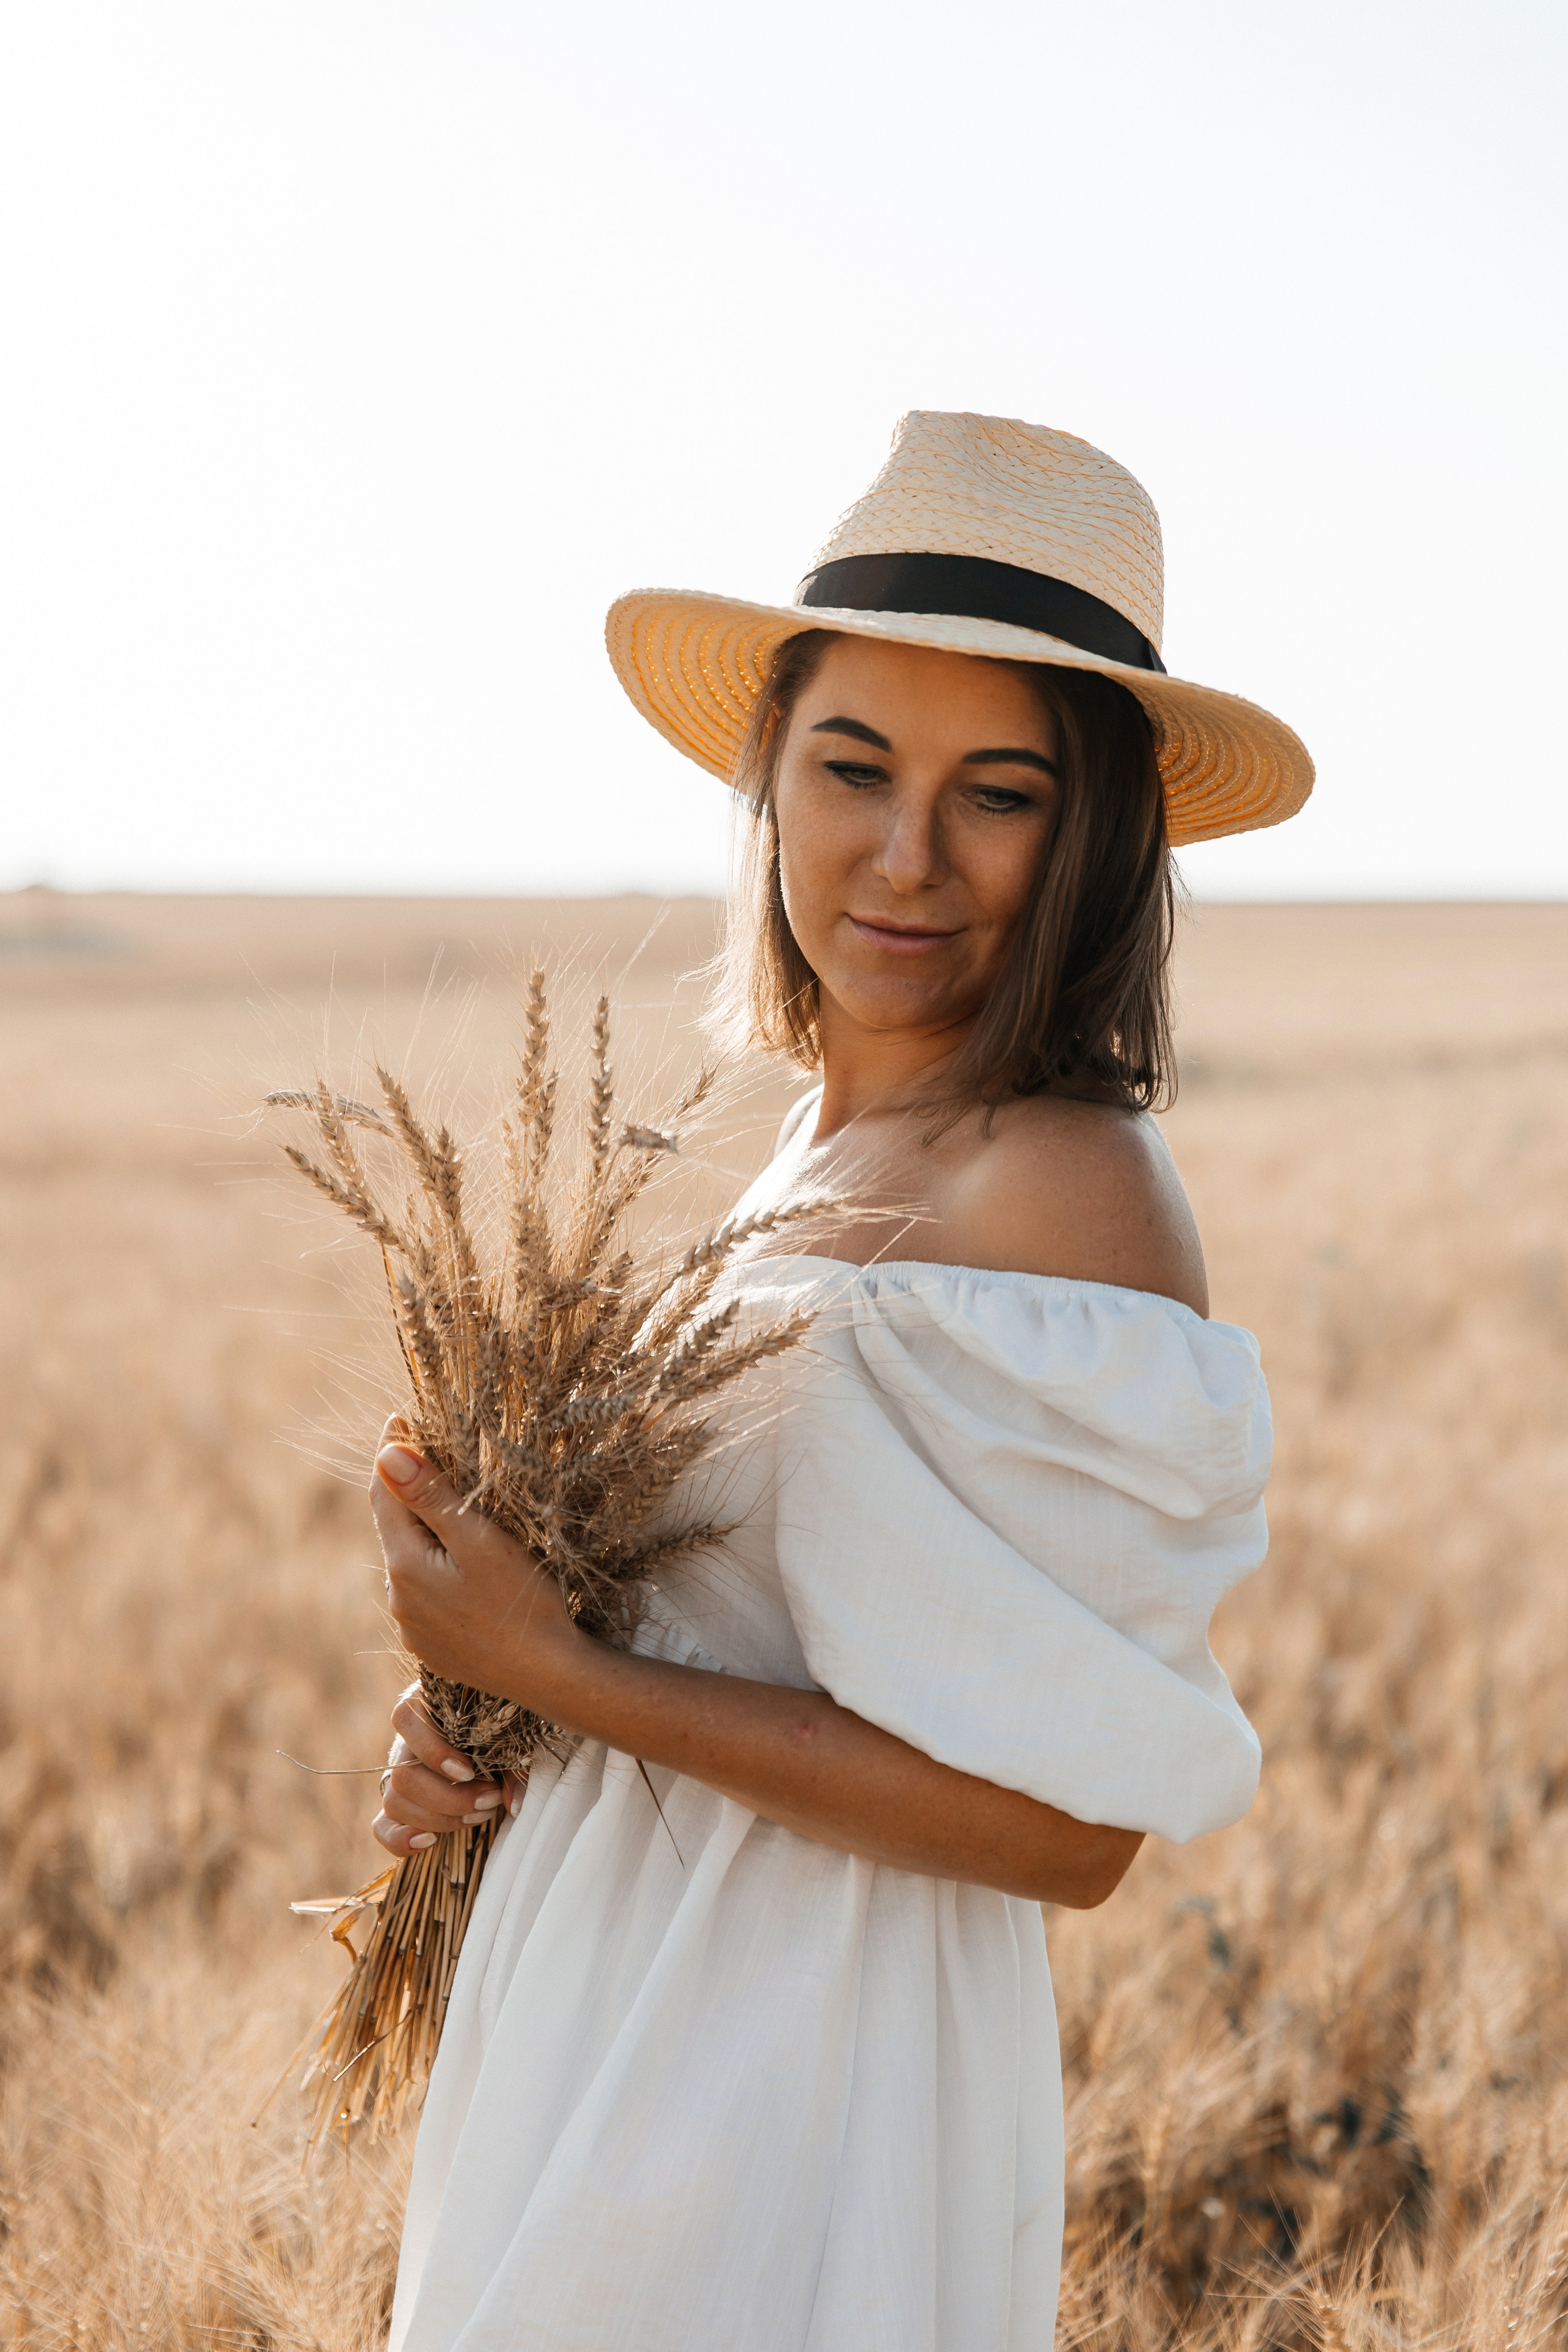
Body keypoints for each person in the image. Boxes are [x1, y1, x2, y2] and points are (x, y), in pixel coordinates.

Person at [369, 412, 1311, 2351]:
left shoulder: (1061, 1183)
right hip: (607, 2013)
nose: (906, 855)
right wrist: (489, 1719)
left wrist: (568, 1676)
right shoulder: (810, 1149)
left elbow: (1066, 1833)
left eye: (999, 795)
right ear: (770, 778)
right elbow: (746, 1633)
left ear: (1094, 838)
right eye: (854, 766)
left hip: (798, 2073)